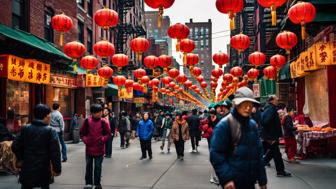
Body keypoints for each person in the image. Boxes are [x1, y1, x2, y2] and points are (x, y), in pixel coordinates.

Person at [210, 87, 267, 189]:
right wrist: (227, 179)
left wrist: (262, 180)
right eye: (244, 104)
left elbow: (258, 154)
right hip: (233, 183)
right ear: (236, 104)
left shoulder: (253, 125)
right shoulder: (225, 125)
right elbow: (216, 154)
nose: (248, 108)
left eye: (250, 104)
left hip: (250, 182)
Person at [12, 104, 61, 189]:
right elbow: (55, 152)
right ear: (46, 116)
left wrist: (21, 158)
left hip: (27, 167)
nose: (50, 116)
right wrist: (57, 169)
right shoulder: (51, 131)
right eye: (49, 114)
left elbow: (15, 146)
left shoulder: (25, 128)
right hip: (44, 169)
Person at [80, 104, 111, 189]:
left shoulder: (103, 121)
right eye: (99, 112)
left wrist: (102, 140)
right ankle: (88, 183)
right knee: (88, 167)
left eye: (101, 111)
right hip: (89, 149)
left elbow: (108, 134)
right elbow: (82, 133)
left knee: (98, 167)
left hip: (100, 149)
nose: (101, 113)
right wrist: (86, 140)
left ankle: (97, 184)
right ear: (93, 113)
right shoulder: (87, 121)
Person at [262, 95, 291, 177]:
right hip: (271, 137)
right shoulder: (270, 109)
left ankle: (279, 171)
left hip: (271, 136)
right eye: (276, 98)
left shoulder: (270, 108)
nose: (277, 99)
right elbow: (266, 122)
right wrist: (271, 137)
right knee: (275, 153)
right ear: (272, 100)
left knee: (274, 153)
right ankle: (280, 171)